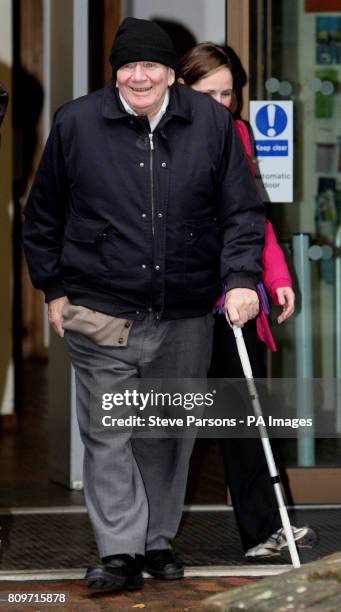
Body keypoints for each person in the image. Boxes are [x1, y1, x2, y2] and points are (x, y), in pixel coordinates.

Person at [23, 19, 264, 593]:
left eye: (150, 65)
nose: (137, 76)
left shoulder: (210, 123)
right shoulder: (77, 122)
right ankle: (120, 551)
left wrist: (240, 279)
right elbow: (44, 215)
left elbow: (241, 211)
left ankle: (155, 540)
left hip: (183, 306)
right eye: (126, 66)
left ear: (171, 73)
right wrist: (54, 289)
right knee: (110, 430)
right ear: (115, 70)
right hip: (100, 305)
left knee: (165, 431)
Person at [179, 42, 317, 559]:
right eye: (209, 92)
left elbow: (253, 216)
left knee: (248, 414)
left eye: (228, 93)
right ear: (181, 90)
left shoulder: (237, 133)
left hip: (235, 298)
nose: (222, 103)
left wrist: (276, 275)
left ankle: (263, 530)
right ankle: (143, 539)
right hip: (185, 302)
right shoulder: (164, 136)